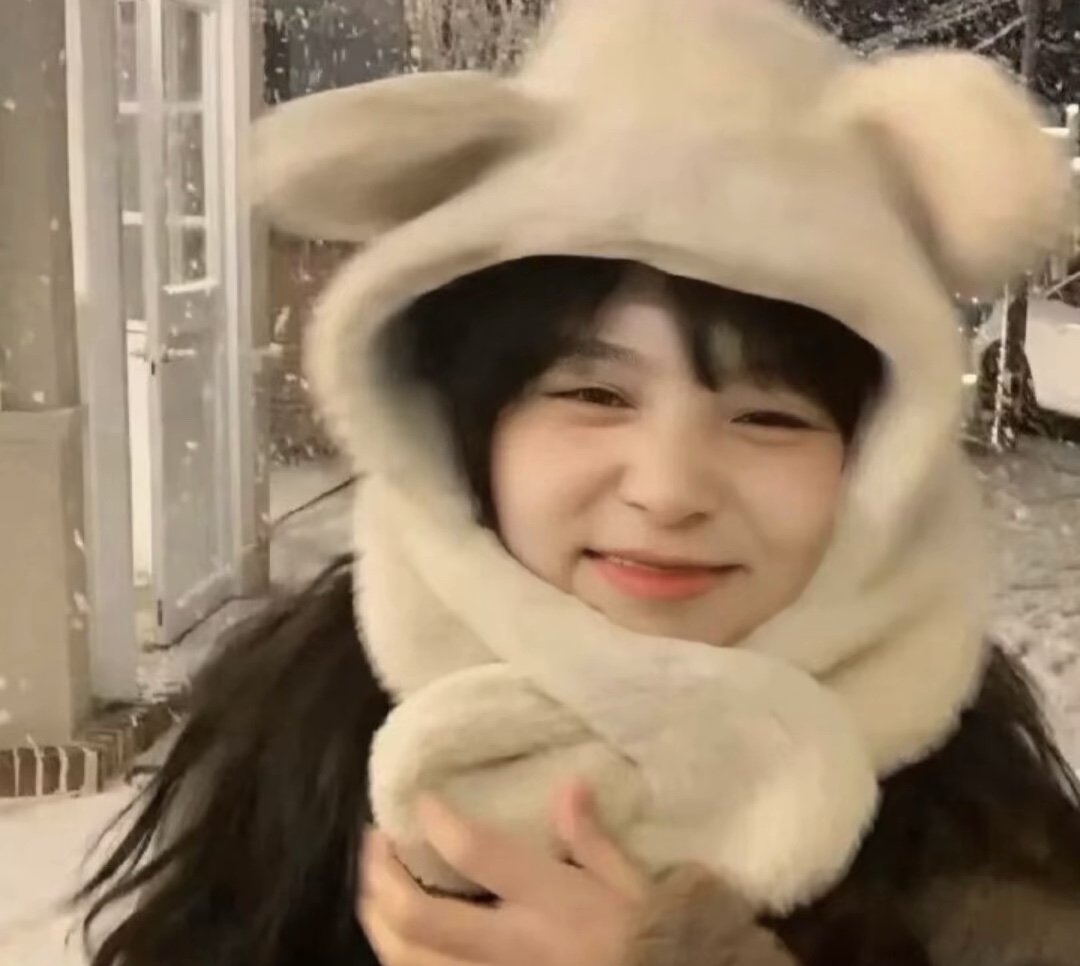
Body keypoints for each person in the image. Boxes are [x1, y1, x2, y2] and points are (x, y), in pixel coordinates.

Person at [79, 0, 1080, 964]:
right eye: (594, 394)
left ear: (878, 458)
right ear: (466, 430)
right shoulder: (300, 736)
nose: (668, 491)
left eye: (767, 416)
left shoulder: (977, 822)